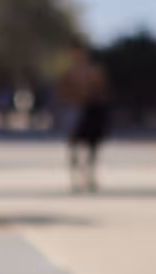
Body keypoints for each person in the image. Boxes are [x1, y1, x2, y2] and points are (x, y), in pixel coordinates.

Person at [56, 41, 108, 192]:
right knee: (73, 146)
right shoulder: (68, 72)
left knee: (93, 147)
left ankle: (90, 176)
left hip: (92, 110)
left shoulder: (95, 70)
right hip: (75, 110)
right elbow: (62, 93)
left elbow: (103, 90)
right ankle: (75, 179)